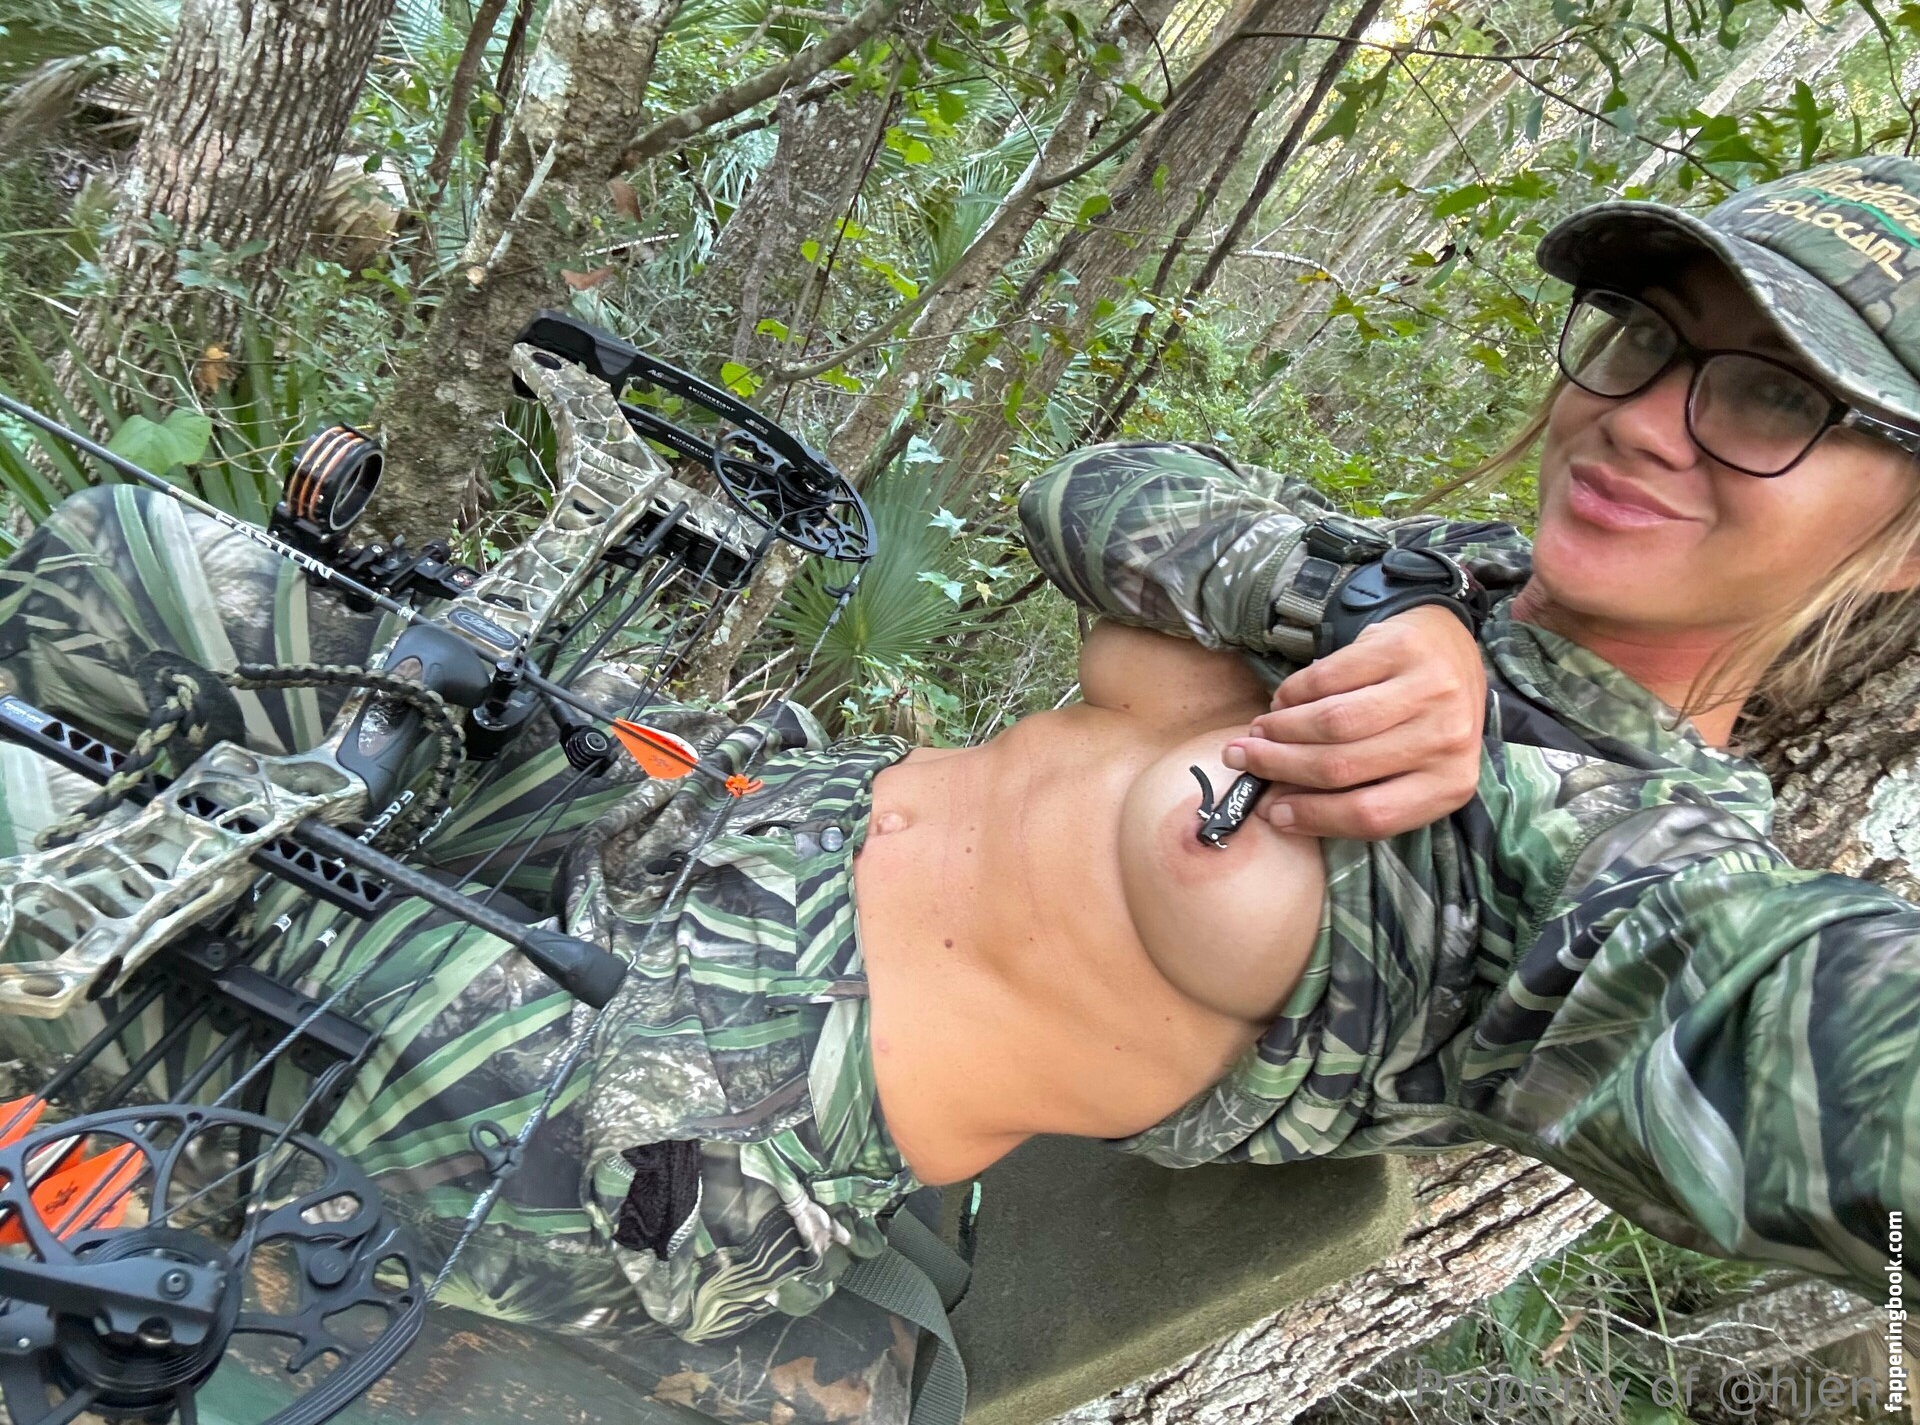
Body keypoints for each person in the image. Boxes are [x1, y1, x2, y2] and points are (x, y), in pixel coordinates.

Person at [1, 153, 1918, 1374]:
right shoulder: (1437, 581)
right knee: (123, 565)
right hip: (649, 826)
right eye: (1640, 340)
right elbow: (1100, 490)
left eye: (1769, 396)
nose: (1646, 421)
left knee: (54, 855)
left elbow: (1818, 1060)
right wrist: (1339, 591)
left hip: (660, 1106)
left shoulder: (1627, 866)